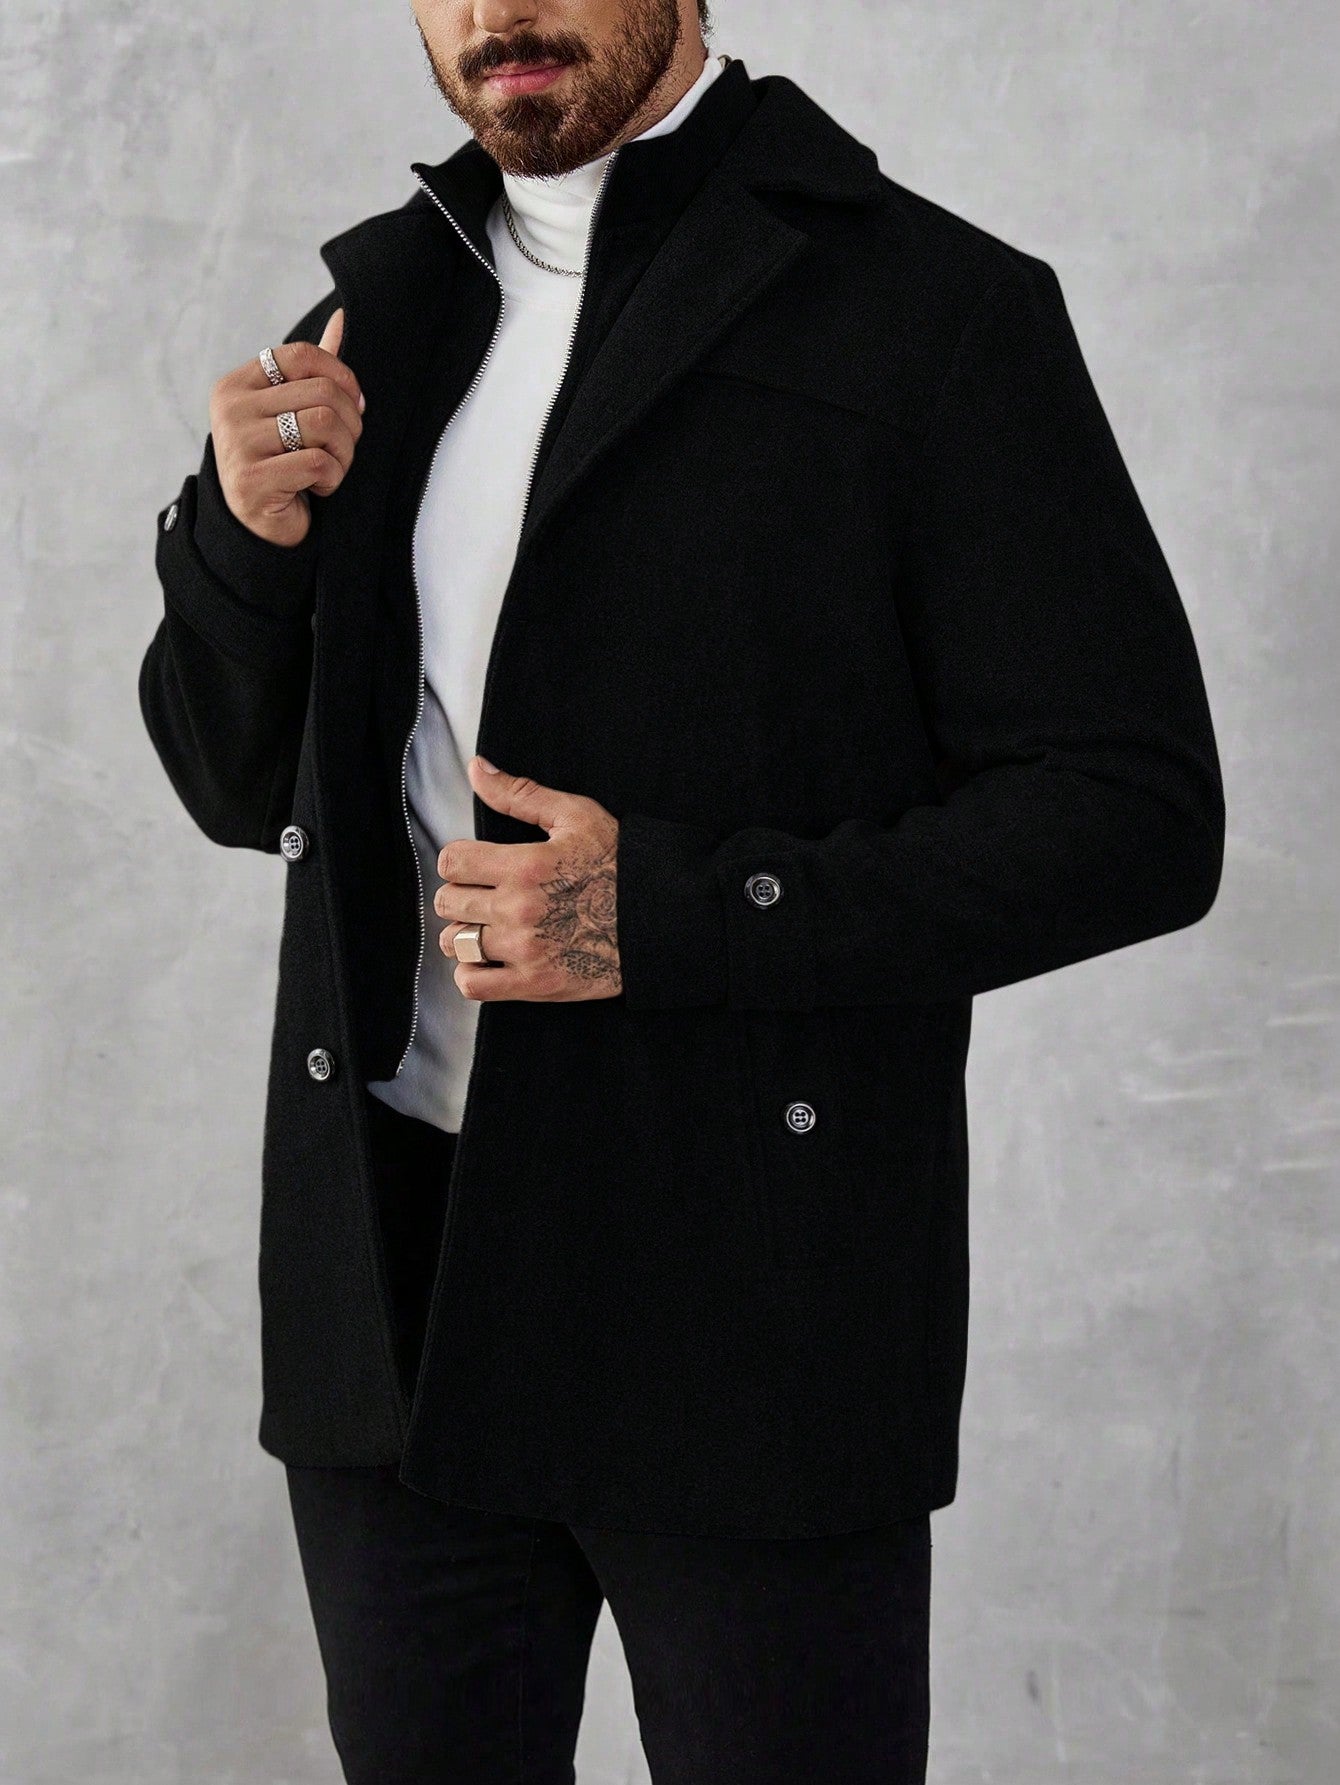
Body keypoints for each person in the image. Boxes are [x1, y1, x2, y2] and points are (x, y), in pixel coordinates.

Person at [137, 1, 1226, 1779]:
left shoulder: (933, 313)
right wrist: (243, 552)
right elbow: (228, 785)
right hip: (396, 1298)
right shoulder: (381, 316)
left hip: (750, 1306)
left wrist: (675, 913)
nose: (497, 15)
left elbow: (1137, 814)